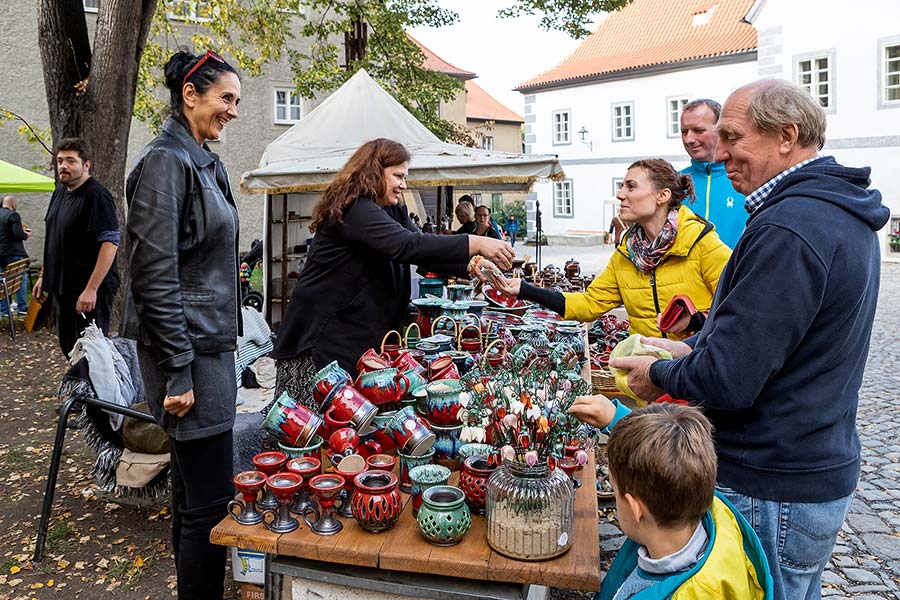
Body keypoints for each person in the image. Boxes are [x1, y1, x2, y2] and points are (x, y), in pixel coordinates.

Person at [611, 80, 889, 600]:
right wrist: (693, 346)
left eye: (733, 137)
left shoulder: (791, 224)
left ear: (786, 136)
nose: (720, 152)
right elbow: (779, 343)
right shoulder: (830, 211)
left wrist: (660, 373)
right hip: (806, 463)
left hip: (772, 477)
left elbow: (730, 379)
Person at [122, 49, 242, 600]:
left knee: (197, 497)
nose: (233, 111)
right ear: (190, 95)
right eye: (226, 98)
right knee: (210, 503)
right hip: (186, 351)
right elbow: (153, 273)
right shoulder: (166, 162)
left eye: (237, 101)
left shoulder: (199, 159)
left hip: (205, 346)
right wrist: (177, 370)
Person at [271, 138, 513, 404]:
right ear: (374, 171)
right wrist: (476, 242)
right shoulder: (356, 209)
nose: (404, 184)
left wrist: (474, 265)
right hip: (321, 343)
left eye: (405, 176)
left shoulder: (391, 210)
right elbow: (405, 245)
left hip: (355, 339)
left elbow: (423, 250)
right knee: (314, 430)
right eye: (398, 176)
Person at [491, 159, 731, 339]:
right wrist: (526, 290)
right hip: (650, 378)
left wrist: (696, 320)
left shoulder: (701, 242)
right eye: (622, 187)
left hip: (697, 378)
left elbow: (741, 306)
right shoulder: (626, 253)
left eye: (631, 187)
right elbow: (589, 304)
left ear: (662, 195)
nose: (620, 195)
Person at [568, 397, 772, 599]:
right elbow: (669, 460)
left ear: (635, 508)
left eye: (616, 491)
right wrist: (616, 419)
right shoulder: (706, 508)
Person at [34, 138, 120, 358]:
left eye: (71, 161)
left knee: (92, 355)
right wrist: (45, 275)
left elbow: (110, 244)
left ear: (86, 165)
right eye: (60, 160)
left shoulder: (97, 196)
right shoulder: (60, 193)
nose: (63, 165)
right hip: (63, 289)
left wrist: (91, 289)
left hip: (89, 294)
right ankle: (79, 392)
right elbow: (55, 239)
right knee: (69, 349)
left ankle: (97, 394)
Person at [680, 99, 746, 249]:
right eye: (684, 131)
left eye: (698, 131)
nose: (689, 139)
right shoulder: (674, 183)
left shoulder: (748, 180)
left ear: (721, 130)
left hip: (737, 271)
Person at [0, 195, 30, 316]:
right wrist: (26, 235)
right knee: (20, 279)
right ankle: (22, 307)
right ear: (13, 205)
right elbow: (18, 234)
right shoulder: (13, 215)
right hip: (13, 253)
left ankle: (4, 309)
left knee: (1, 282)